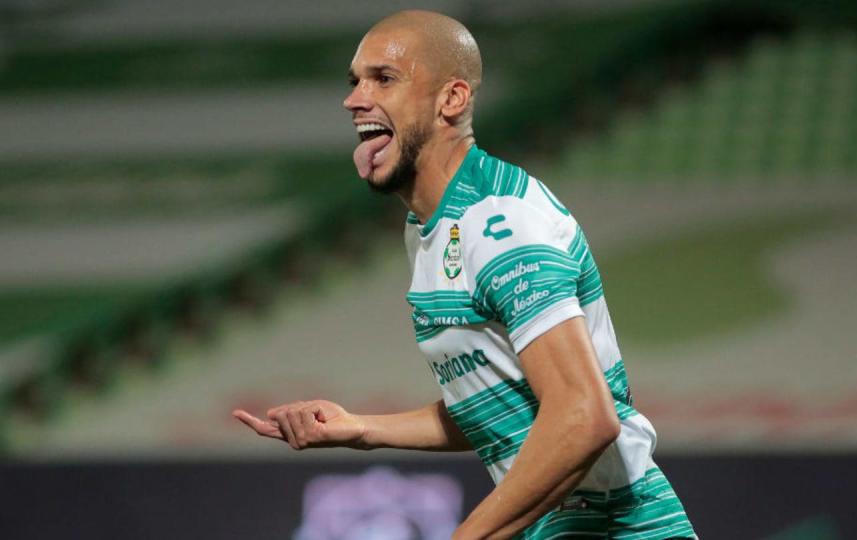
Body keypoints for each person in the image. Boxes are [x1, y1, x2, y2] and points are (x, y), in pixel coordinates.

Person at [233, 10, 697, 539]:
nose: (355, 99)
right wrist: (362, 429)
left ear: (450, 99)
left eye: (383, 78)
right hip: (562, 523)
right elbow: (508, 406)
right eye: (355, 81)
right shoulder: (433, 225)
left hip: (617, 525)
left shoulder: (501, 225)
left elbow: (585, 416)